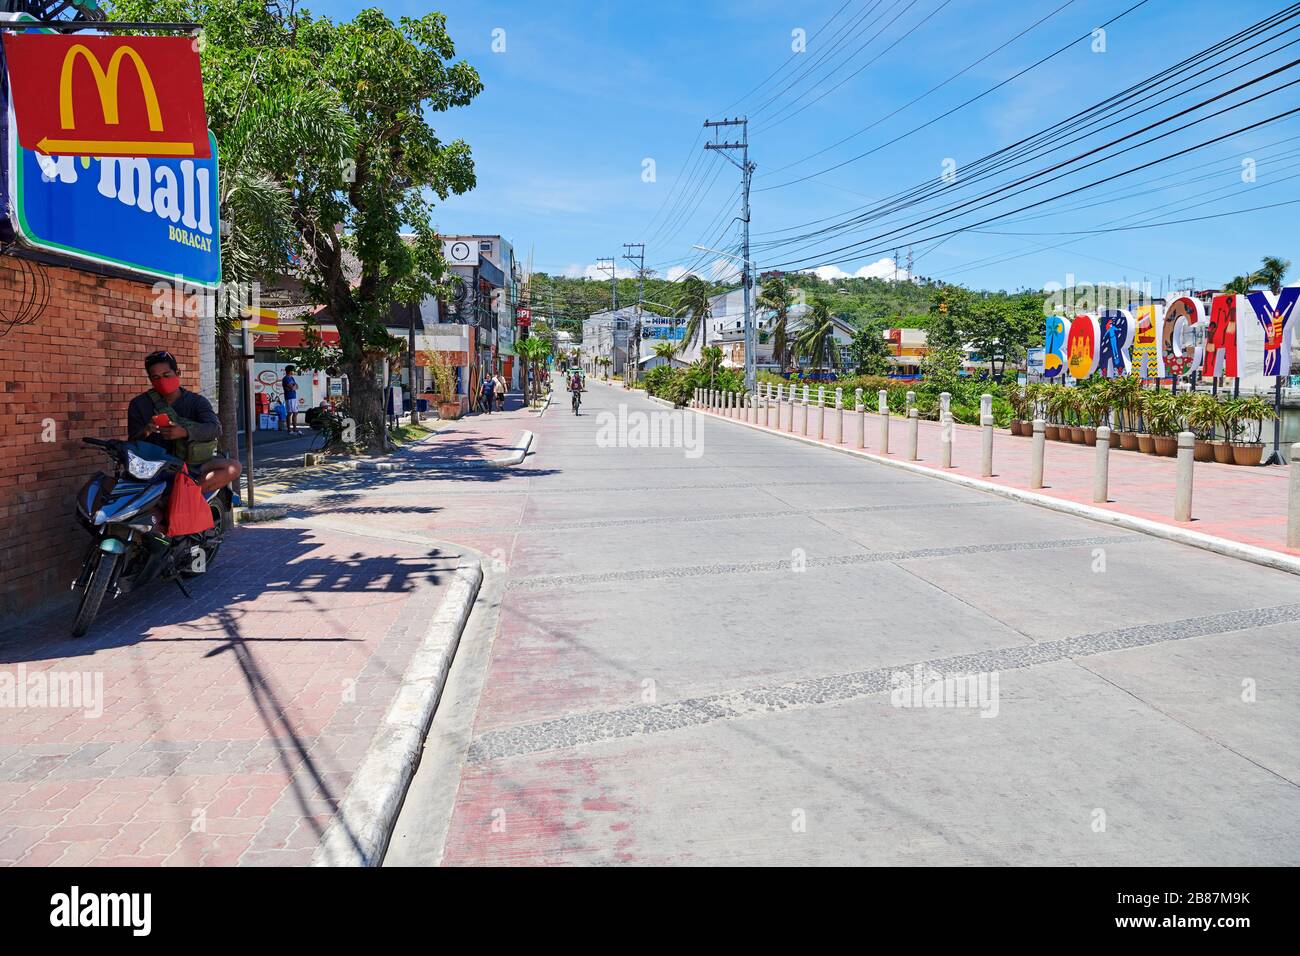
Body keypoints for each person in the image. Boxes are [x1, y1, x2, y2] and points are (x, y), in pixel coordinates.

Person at [127, 350, 241, 496]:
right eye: (155, 378)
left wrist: (185, 432)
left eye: (166, 375)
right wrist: (146, 430)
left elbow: (215, 428)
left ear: (178, 373)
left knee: (233, 467)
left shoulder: (196, 402)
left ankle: (185, 495)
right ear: (150, 379)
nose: (162, 381)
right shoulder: (139, 404)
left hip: (192, 464)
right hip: (155, 466)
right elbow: (131, 441)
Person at [281, 365, 300, 433]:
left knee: (295, 412)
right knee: (290, 413)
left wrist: (293, 387)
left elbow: (297, 387)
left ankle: (295, 428)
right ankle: (289, 429)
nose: (294, 372)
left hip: (293, 397)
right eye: (293, 370)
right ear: (289, 371)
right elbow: (292, 387)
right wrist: (293, 387)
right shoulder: (286, 378)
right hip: (289, 397)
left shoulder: (291, 378)